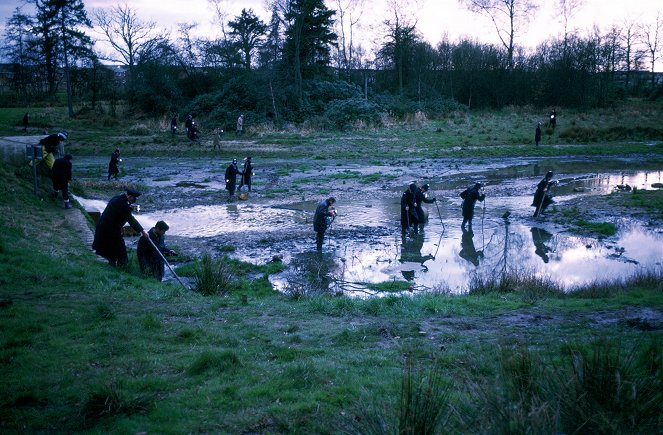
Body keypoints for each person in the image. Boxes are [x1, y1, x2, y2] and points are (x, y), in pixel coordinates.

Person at [92, 188, 148, 267]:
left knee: (111, 251)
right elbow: (131, 219)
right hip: (110, 231)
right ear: (129, 196)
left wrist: (130, 209)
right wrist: (142, 231)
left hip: (106, 228)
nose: (135, 201)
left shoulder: (117, 198)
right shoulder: (122, 204)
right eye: (134, 199)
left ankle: (114, 267)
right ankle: (120, 269)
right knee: (121, 254)